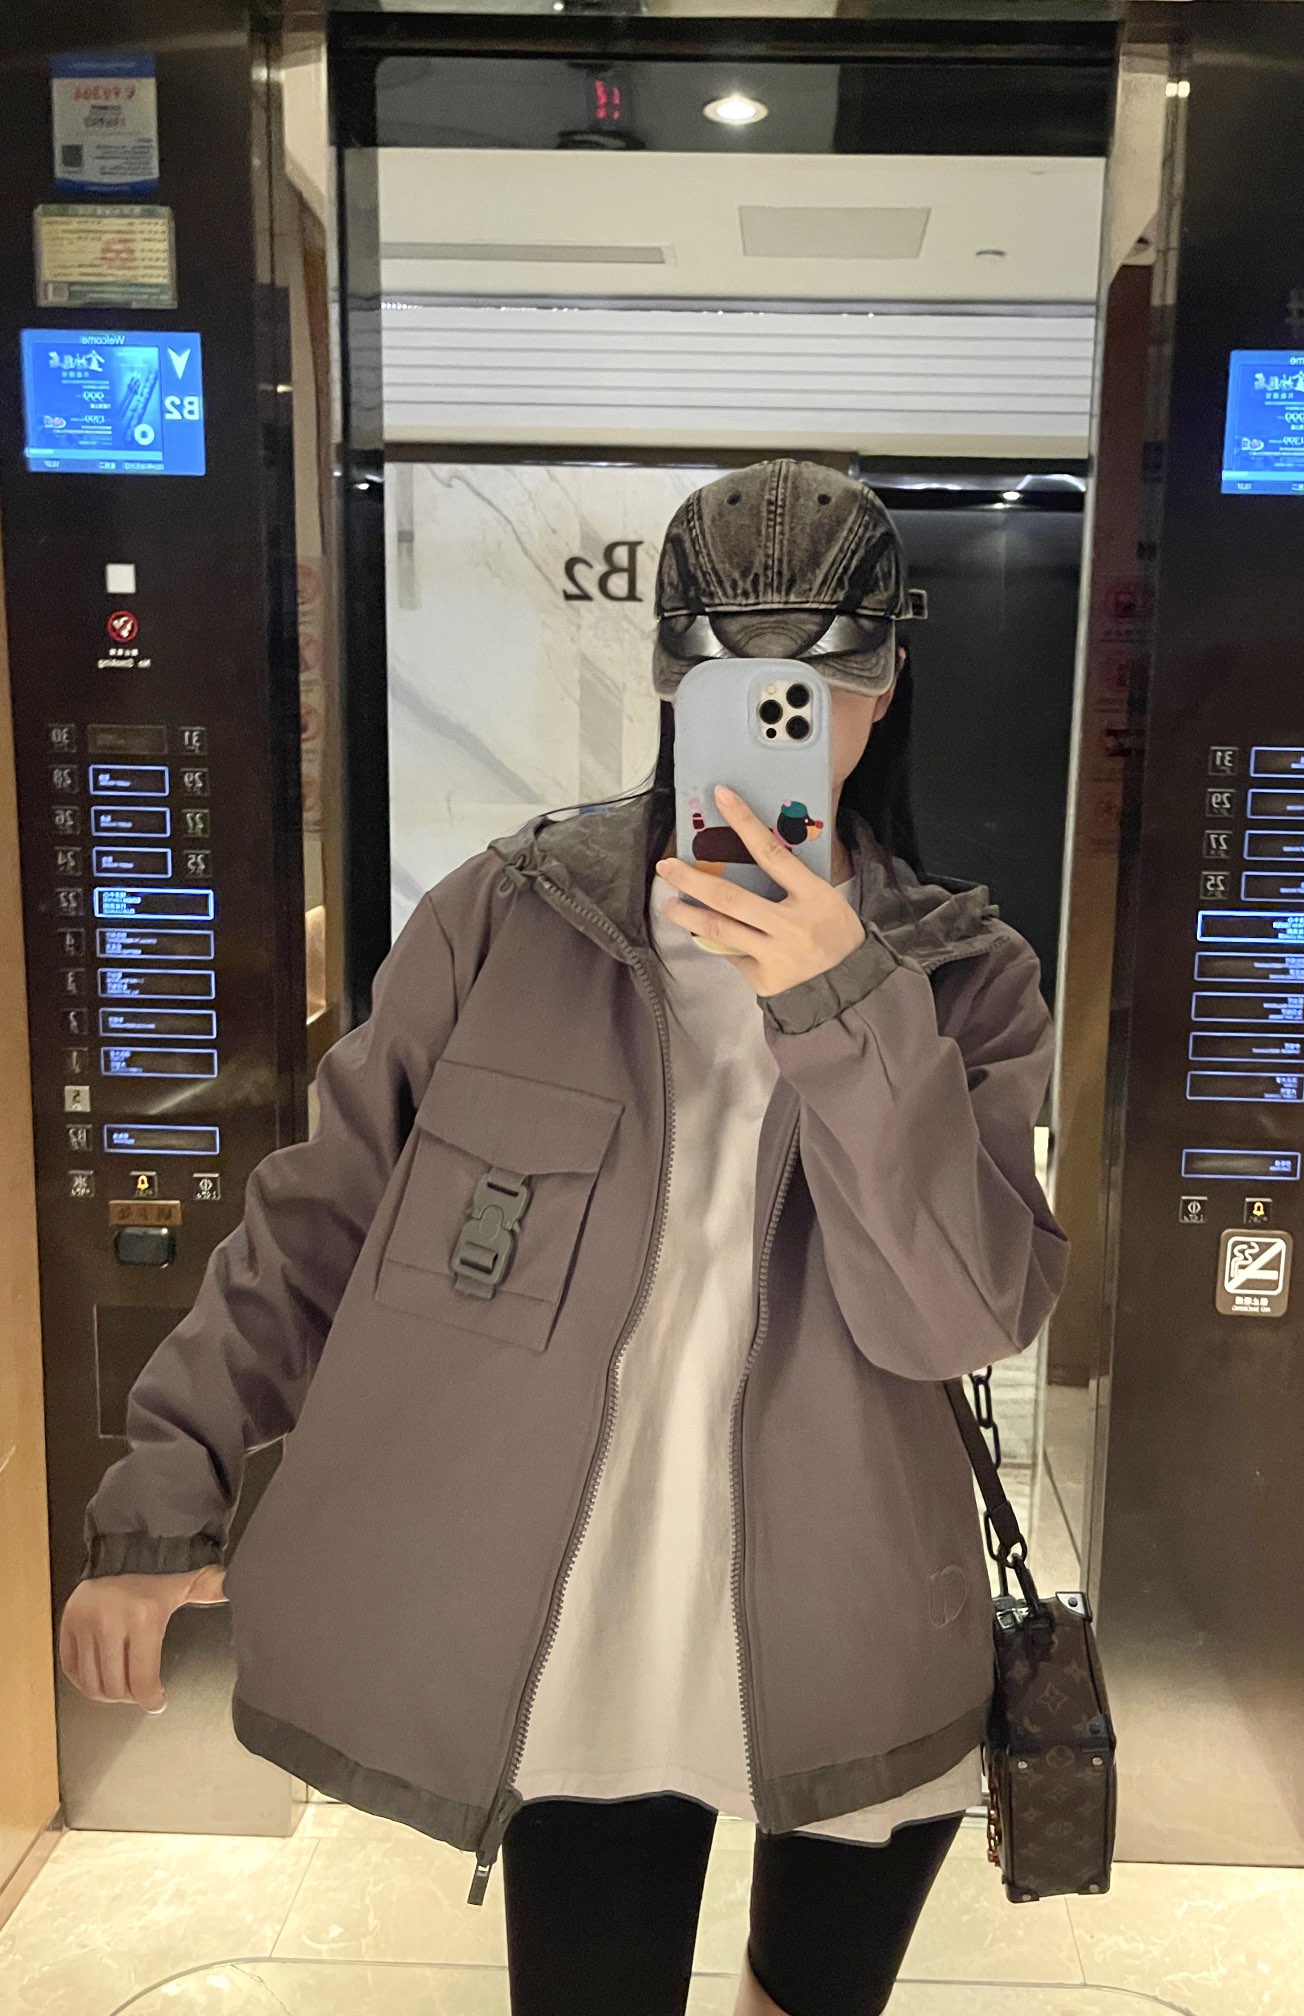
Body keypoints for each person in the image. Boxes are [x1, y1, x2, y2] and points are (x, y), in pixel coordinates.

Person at [60, 457, 1069, 2016]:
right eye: (740, 682)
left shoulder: (963, 977)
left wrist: (842, 1000)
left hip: (860, 1614)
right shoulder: (508, 918)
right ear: (673, 682)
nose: (788, 717)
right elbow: (318, 1219)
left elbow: (961, 1315)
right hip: (582, 1632)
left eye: (824, 683)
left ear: (884, 693)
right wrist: (163, 1493)